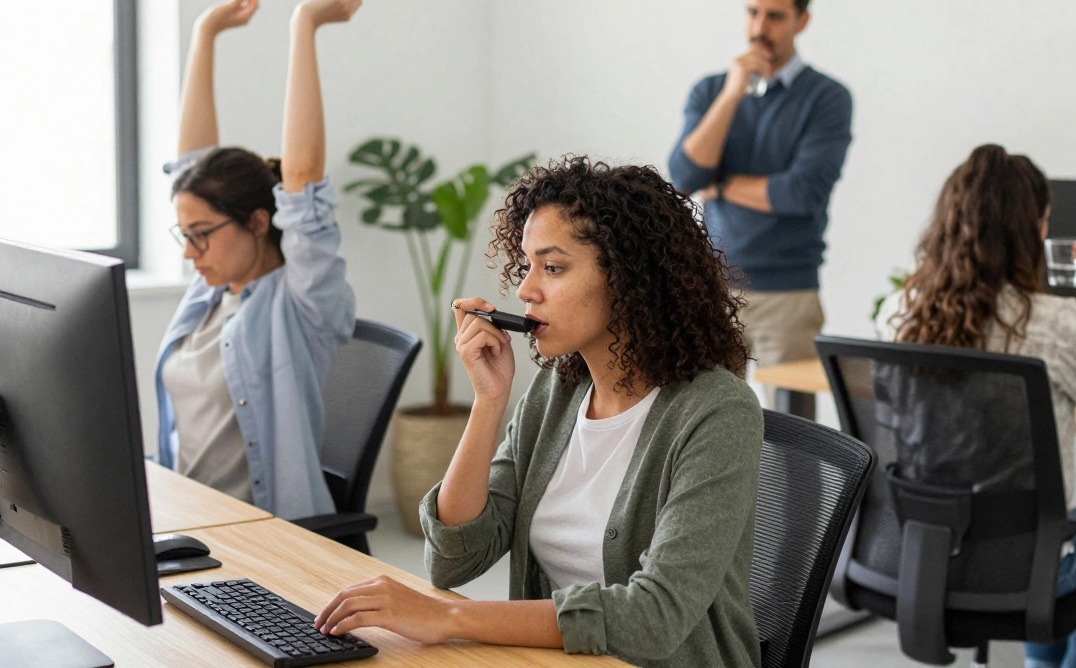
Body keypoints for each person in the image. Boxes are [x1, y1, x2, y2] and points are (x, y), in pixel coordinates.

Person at [315, 157, 764, 667]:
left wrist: (450, 619)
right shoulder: (558, 390)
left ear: (630, 278)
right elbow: (453, 559)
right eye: (526, 264)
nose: (526, 290)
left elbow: (652, 618)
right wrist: (488, 403)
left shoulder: (717, 412)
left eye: (552, 267)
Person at [876, 144, 1076, 668]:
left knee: (1046, 531)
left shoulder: (900, 310)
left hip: (925, 557)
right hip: (1025, 565)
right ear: (1031, 229)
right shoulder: (1053, 323)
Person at [154, 0, 359, 520]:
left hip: (262, 535)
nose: (190, 253)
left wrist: (304, 25)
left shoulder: (303, 302)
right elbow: (191, 164)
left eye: (201, 233)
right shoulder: (212, 287)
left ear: (258, 222)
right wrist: (205, 34)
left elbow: (303, 178)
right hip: (185, 521)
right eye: (185, 234)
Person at [668, 0, 852, 380]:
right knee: (707, 428)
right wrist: (734, 93)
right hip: (713, 291)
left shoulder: (827, 98)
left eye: (775, 15)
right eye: (753, 12)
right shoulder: (712, 90)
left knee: (794, 439)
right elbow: (683, 177)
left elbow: (802, 192)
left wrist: (723, 184)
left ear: (802, 21)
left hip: (788, 296)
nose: (759, 27)